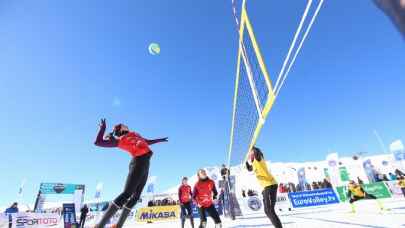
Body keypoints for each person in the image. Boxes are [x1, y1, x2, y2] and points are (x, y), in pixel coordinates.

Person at [94, 119, 168, 228]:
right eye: (121, 125)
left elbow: (147, 142)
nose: (124, 124)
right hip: (137, 162)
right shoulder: (121, 139)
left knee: (136, 197)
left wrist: (160, 140)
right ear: (120, 130)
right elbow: (98, 142)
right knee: (126, 194)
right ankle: (100, 225)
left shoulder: (135, 134)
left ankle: (118, 226)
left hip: (146, 163)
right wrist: (102, 128)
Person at [245, 147, 283, 228]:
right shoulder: (254, 163)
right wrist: (246, 163)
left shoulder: (258, 158)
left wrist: (252, 148)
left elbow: (256, 153)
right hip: (267, 186)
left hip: (270, 185)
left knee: (269, 210)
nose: (249, 155)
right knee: (268, 211)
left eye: (250, 153)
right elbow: (250, 169)